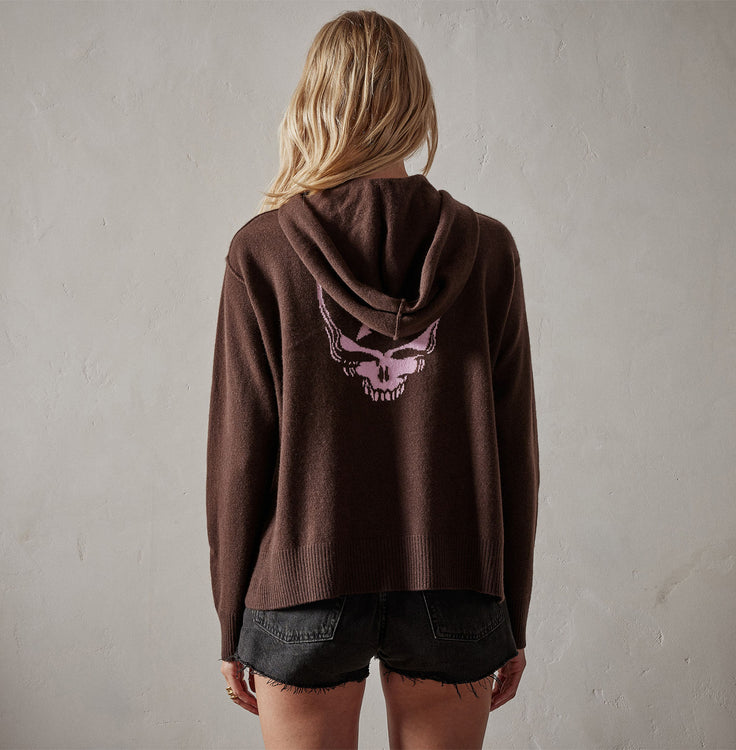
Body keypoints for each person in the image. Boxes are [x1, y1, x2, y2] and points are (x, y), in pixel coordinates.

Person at [206, 9, 540, 749]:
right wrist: (510, 612)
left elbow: (239, 456)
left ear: (315, 102)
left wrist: (232, 622)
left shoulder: (262, 253)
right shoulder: (487, 250)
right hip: (454, 581)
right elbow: (515, 452)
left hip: (302, 585)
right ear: (415, 104)